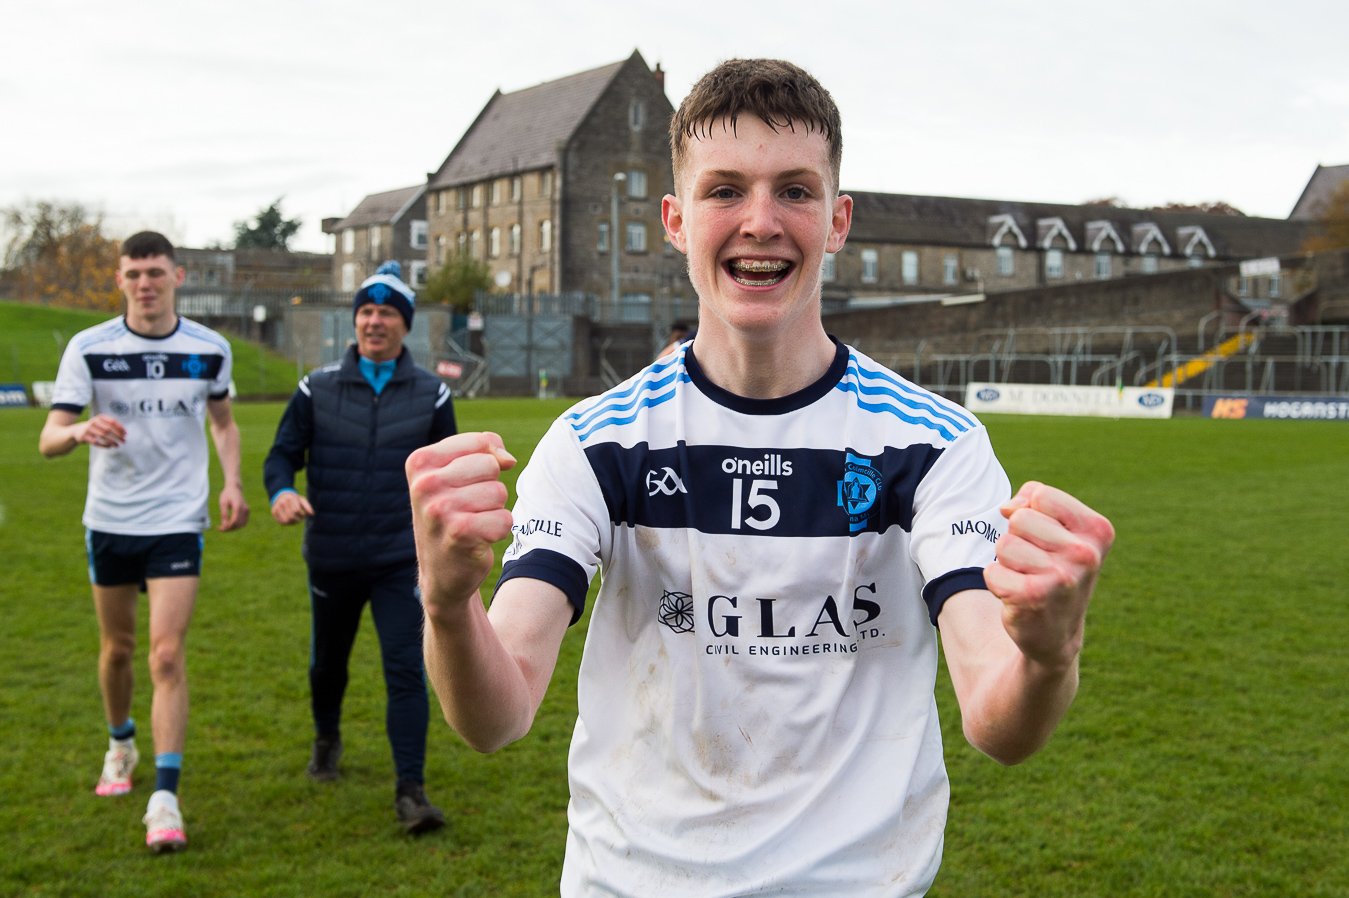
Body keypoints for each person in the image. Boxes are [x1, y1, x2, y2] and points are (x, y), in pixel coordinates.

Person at [407, 59, 1115, 896]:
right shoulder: (597, 443)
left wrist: (1047, 657)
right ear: (674, 219)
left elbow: (998, 725)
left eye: (795, 190)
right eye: (724, 191)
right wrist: (447, 605)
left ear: (838, 218)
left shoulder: (933, 445)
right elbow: (497, 716)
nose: (760, 221)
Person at [38, 230, 250, 854]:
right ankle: (121, 741)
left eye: (156, 272)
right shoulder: (89, 348)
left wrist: (232, 481)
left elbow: (223, 421)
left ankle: (164, 798)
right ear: (121, 280)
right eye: (133, 273)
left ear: (178, 277)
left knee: (165, 655)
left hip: (177, 520)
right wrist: (78, 431)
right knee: (118, 650)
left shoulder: (208, 349)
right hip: (109, 519)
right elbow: (47, 439)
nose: (145, 284)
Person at [263, 261, 456, 834]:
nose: (375, 322)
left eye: (387, 313)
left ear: (405, 326)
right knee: (329, 663)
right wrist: (280, 491)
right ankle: (326, 740)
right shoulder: (316, 387)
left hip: (400, 560)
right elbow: (281, 455)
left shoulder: (431, 393)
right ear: (354, 323)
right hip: (333, 553)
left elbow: (445, 473)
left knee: (405, 669)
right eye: (366, 312)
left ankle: (411, 792)